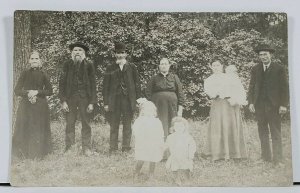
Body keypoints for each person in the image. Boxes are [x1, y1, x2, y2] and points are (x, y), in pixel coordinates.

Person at [248, 44, 288, 165]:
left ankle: (278, 159)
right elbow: (251, 87)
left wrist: (283, 105)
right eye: (261, 55)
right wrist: (250, 102)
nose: (263, 57)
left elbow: (284, 88)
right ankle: (265, 157)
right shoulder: (255, 69)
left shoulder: (279, 68)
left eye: (265, 54)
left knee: (275, 131)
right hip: (259, 105)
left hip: (274, 106)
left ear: (270, 54)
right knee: (262, 131)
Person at [203, 60, 247, 161]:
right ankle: (217, 153)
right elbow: (211, 94)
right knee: (218, 127)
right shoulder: (209, 80)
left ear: (222, 66)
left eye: (218, 65)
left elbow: (237, 89)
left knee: (230, 125)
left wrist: (234, 98)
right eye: (213, 65)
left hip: (230, 105)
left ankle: (234, 152)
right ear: (211, 67)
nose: (216, 67)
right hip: (218, 104)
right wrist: (218, 92)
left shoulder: (228, 77)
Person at [58, 42, 97, 156]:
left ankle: (87, 148)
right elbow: (62, 84)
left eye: (80, 50)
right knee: (70, 122)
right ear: (72, 53)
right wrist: (63, 101)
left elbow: (93, 85)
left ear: (84, 53)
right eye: (75, 50)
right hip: (70, 99)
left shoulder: (89, 65)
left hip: (85, 98)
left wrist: (92, 102)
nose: (77, 52)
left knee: (86, 123)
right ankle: (69, 148)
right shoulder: (67, 65)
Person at [12, 51, 53, 159]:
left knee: (38, 128)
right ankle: (23, 153)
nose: (34, 61)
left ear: (40, 60)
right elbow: (17, 90)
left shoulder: (44, 74)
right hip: (26, 106)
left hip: (40, 106)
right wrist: (28, 93)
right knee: (25, 127)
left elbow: (49, 91)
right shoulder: (25, 73)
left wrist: (37, 92)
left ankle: (38, 154)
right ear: (29, 60)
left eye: (36, 59)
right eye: (32, 59)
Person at [103, 42, 142, 153]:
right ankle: (113, 148)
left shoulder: (132, 67)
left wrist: (138, 101)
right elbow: (105, 86)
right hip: (114, 101)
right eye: (118, 53)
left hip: (128, 101)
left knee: (127, 125)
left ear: (126, 54)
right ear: (115, 54)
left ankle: (126, 148)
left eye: (122, 53)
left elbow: (137, 84)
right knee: (114, 124)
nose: (120, 55)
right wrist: (106, 103)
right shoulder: (110, 67)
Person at [145, 58, 184, 140]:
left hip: (172, 106)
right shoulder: (154, 78)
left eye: (166, 64)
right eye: (162, 64)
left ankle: (172, 142)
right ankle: (159, 142)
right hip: (158, 106)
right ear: (159, 66)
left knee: (172, 122)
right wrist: (150, 108)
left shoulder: (174, 77)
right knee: (160, 123)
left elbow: (180, 93)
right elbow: (148, 92)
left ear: (169, 66)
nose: (164, 66)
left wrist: (180, 108)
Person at [132, 99, 164, 181]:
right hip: (143, 142)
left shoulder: (157, 121)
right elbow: (135, 131)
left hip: (153, 142)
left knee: (153, 158)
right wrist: (139, 138)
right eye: (147, 111)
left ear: (154, 112)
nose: (149, 112)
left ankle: (151, 174)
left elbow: (160, 132)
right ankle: (136, 172)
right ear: (142, 111)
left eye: (151, 111)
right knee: (141, 158)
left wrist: (160, 141)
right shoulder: (140, 121)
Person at [165, 117, 196, 186]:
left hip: (185, 155)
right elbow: (167, 144)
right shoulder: (170, 137)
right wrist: (162, 148)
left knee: (186, 167)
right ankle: (177, 179)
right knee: (174, 168)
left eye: (181, 126)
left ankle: (187, 178)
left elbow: (192, 146)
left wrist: (191, 154)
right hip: (175, 156)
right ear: (173, 128)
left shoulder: (188, 137)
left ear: (185, 127)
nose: (179, 128)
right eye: (177, 126)